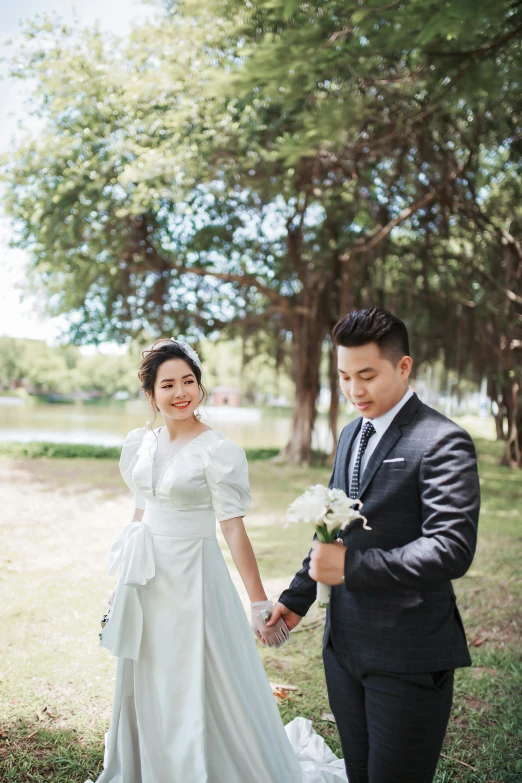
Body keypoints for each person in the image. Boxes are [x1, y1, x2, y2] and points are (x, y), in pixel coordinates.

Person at [88, 338, 347, 783]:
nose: (181, 391)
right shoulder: (141, 445)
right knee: (150, 672)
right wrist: (121, 582)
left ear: (200, 386)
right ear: (151, 394)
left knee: (198, 675)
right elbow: (140, 510)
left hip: (194, 576)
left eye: (189, 380)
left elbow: (232, 529)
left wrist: (258, 600)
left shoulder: (216, 450)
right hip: (147, 577)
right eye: (168, 384)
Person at [268, 307, 480, 783]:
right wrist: (297, 597)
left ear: (403, 367)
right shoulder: (350, 434)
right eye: (344, 376)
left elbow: (452, 547)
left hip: (407, 654)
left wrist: (352, 568)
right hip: (343, 649)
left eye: (367, 375)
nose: (354, 390)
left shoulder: (443, 441)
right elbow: (330, 522)